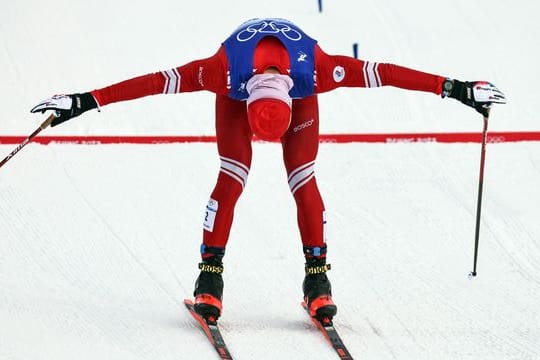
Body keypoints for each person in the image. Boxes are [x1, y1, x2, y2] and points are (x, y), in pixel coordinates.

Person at [31, 18, 506, 322]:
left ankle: (317, 280)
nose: (266, 143)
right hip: (239, 97)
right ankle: (209, 278)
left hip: (293, 98)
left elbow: (387, 73)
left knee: (303, 176)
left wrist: (455, 88)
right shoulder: (219, 69)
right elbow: (153, 83)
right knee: (233, 173)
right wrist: (85, 100)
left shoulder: (318, 69)